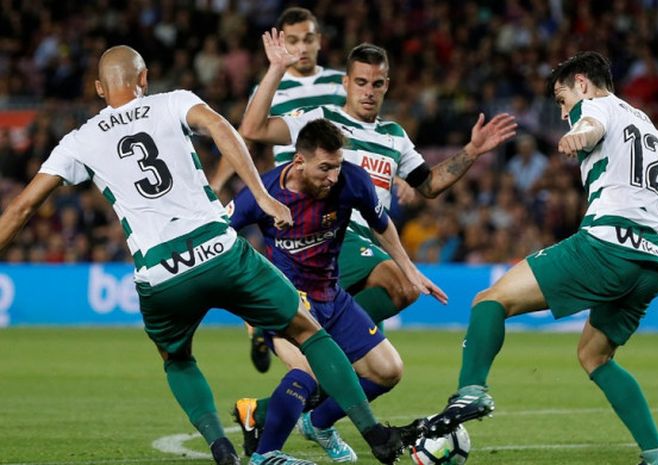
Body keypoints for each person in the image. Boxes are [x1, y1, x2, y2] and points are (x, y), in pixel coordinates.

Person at [0, 45, 426, 465]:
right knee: (309, 331)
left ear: (98, 89)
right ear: (144, 79)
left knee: (177, 359)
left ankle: (223, 453)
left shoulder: (78, 141)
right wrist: (262, 195)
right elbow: (224, 129)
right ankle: (374, 433)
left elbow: (21, 208)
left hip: (160, 273)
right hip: (220, 249)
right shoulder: (174, 103)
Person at [425, 51, 658, 465]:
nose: (562, 108)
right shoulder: (648, 127)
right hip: (655, 261)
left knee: (489, 301)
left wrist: (580, 135)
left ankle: (471, 392)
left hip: (607, 246)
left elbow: (590, 123)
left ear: (583, 83)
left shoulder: (593, 107)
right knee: (594, 355)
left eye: (561, 97)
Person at [239, 28, 516, 335]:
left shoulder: (394, 136)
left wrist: (472, 151)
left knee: (374, 367)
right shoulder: (320, 119)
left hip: (373, 243)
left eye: (376, 84)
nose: (368, 91)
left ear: (386, 86)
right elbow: (253, 129)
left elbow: (429, 184)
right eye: (360, 82)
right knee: (402, 284)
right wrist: (276, 69)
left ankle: (305, 341)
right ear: (345, 83)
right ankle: (308, 331)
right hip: (332, 232)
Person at [227, 118, 446, 465]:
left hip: (332, 297)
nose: (332, 176)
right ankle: (265, 456)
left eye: (337, 165)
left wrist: (409, 269)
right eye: (324, 168)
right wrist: (248, 293)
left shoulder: (351, 181)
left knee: (388, 370)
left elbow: (381, 224)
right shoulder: (264, 192)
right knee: (312, 373)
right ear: (299, 161)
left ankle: (316, 423)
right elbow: (220, 236)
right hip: (286, 303)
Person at [210, 7, 346, 373]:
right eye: (293, 41)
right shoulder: (271, 85)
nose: (302, 48)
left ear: (320, 41)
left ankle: (266, 326)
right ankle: (291, 355)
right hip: (287, 192)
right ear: (282, 43)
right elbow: (246, 140)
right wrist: (217, 183)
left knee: (327, 289)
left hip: (332, 191)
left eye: (308, 39)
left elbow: (363, 131)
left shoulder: (341, 84)